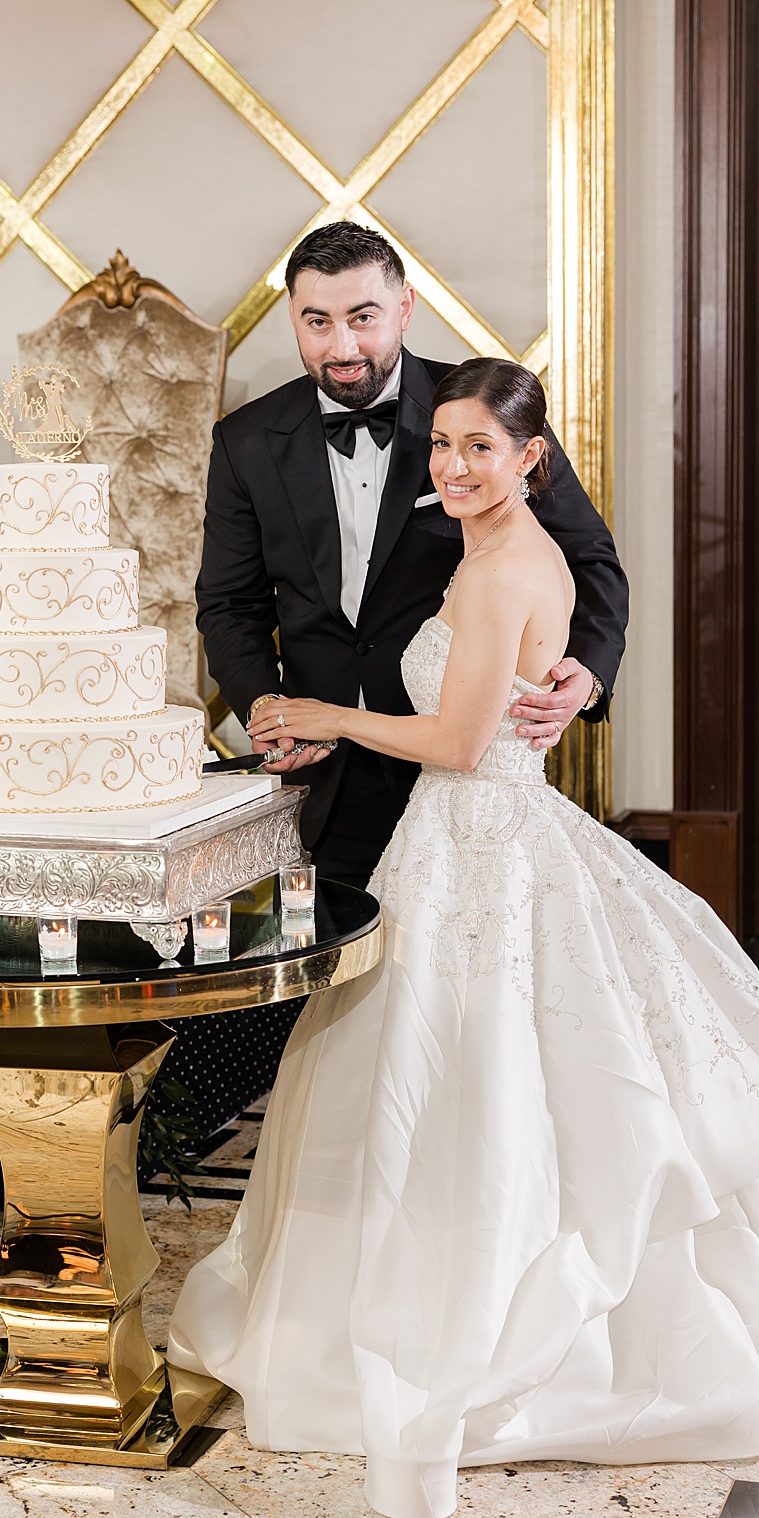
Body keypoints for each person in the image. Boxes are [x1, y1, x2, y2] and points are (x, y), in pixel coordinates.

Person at [167, 359, 759, 1518]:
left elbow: (465, 737)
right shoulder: (475, 545)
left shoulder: (512, 562)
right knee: (442, 1080)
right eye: (441, 446)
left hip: (483, 834)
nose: (450, 466)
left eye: (478, 447)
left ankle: (516, 1325)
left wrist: (327, 713)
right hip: (457, 843)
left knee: (493, 1084)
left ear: (532, 456)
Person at [171, 222, 629, 1141]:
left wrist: (588, 674)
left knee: (460, 1008)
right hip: (323, 766)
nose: (344, 346)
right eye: (317, 322)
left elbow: (591, 563)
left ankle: (460, 1169)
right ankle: (166, 1146)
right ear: (292, 322)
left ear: (405, 309)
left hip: (453, 768)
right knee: (288, 980)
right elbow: (226, 602)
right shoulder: (248, 442)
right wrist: (265, 704)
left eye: (365, 318)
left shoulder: (479, 417)